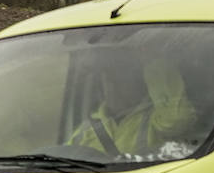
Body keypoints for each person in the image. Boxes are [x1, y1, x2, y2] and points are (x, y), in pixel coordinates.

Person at [68, 58, 197, 158]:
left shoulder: (157, 119)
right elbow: (65, 158)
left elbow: (178, 119)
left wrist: (153, 60)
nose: (113, 85)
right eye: (108, 79)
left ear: (140, 83)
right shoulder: (85, 131)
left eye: (121, 79)